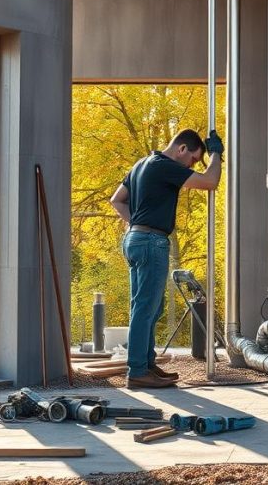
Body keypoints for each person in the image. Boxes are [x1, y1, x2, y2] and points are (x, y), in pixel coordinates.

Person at [109, 128, 224, 388]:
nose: (192, 166)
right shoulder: (164, 165)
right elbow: (209, 182)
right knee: (146, 307)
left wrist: (137, 225)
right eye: (193, 160)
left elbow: (117, 201)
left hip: (135, 239)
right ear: (182, 149)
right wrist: (216, 154)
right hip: (150, 241)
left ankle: (146, 364)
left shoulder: (141, 164)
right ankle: (138, 371)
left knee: (147, 306)